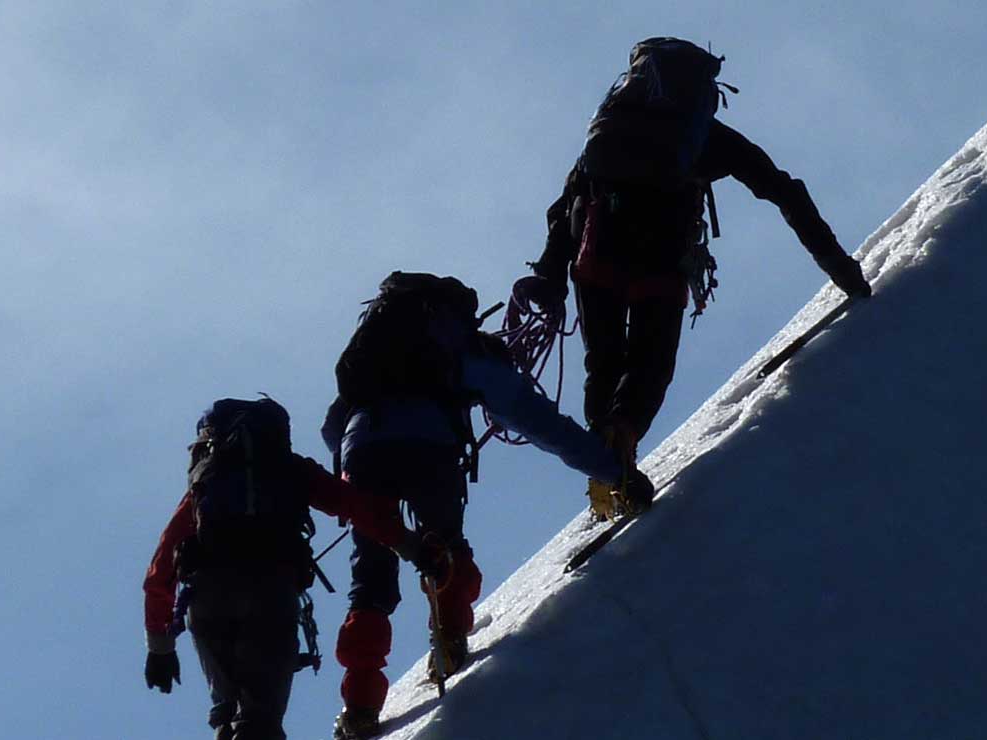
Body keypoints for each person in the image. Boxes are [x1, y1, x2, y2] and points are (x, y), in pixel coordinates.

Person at [516, 37, 873, 515]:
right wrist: (841, 270)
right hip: (661, 263)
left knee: (604, 362)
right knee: (650, 362)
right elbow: (785, 192)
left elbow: (565, 209)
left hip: (595, 258)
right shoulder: (705, 136)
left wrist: (548, 276)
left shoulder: (610, 127)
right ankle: (621, 435)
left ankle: (607, 460)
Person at [321, 272, 652, 739]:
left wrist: (348, 484)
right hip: (430, 446)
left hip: (363, 447)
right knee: (447, 548)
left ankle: (358, 706)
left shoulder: (372, 360)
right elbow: (538, 422)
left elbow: (332, 428)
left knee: (370, 580)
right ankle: (452, 637)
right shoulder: (464, 353)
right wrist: (614, 472)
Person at [144, 397, 440, 740]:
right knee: (260, 719)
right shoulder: (292, 469)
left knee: (228, 713)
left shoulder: (203, 488)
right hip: (269, 591)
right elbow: (359, 508)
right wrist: (414, 548)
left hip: (207, 597)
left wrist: (160, 648)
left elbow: (161, 565)